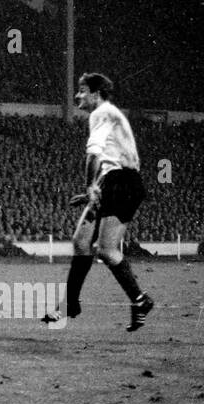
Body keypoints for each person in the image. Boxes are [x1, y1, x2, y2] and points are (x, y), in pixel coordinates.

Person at [41, 73, 153, 332]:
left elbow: (93, 154)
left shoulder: (101, 113)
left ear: (96, 93)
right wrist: (95, 187)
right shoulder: (107, 114)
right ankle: (70, 303)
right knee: (81, 241)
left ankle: (140, 300)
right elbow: (108, 158)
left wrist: (90, 186)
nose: (77, 96)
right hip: (111, 181)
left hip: (122, 183)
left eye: (81, 90)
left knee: (106, 249)